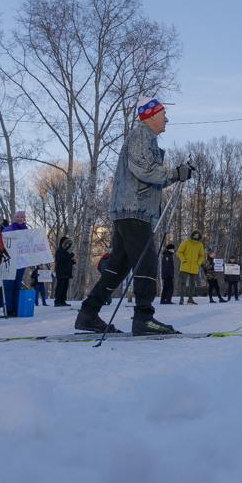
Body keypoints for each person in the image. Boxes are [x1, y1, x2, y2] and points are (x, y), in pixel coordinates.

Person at [73, 96, 191, 336]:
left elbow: (146, 174)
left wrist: (174, 174)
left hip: (131, 209)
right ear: (151, 116)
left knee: (118, 266)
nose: (167, 118)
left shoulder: (146, 138)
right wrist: (176, 173)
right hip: (134, 209)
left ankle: (88, 313)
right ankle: (144, 317)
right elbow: (145, 170)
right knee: (146, 261)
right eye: (163, 114)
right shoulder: (141, 135)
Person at [0, 211, 29, 315]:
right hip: (9, 261)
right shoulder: (8, 229)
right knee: (8, 285)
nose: (20, 218)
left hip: (21, 262)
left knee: (17, 285)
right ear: (14, 218)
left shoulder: (27, 230)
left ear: (24, 218)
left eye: (22, 217)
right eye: (18, 217)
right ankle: (8, 309)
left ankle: (16, 309)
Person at [176, 231, 205, 305]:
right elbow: (179, 252)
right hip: (185, 266)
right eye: (195, 235)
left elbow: (202, 255)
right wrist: (183, 260)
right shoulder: (186, 242)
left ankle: (190, 299)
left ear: (199, 236)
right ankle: (181, 299)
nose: (196, 236)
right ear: (192, 235)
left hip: (194, 267)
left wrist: (198, 263)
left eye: (198, 235)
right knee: (183, 283)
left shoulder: (200, 244)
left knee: (192, 284)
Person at [52, 235, 75, 307]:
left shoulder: (65, 252)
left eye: (69, 244)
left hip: (66, 273)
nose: (68, 245)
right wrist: (70, 256)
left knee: (65, 287)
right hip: (61, 272)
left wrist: (72, 261)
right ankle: (57, 301)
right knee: (60, 287)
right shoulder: (59, 251)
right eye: (67, 244)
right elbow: (61, 260)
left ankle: (63, 301)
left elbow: (67, 260)